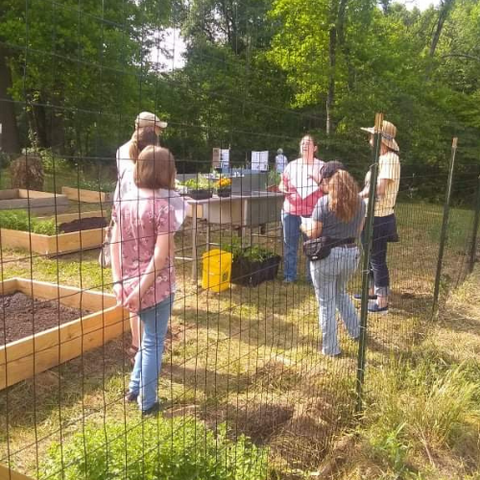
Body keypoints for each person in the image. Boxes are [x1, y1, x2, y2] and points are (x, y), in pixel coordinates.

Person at [111, 146, 182, 415]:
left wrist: (118, 283)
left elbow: (114, 245)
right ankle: (148, 402)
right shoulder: (163, 208)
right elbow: (162, 255)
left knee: (146, 340)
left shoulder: (124, 202)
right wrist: (142, 289)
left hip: (129, 284)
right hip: (156, 287)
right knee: (153, 342)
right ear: (166, 172)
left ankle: (134, 386)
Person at [114, 112, 167, 359]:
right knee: (146, 281)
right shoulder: (143, 156)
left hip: (126, 220)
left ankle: (139, 345)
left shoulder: (124, 151)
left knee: (133, 281)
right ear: (148, 130)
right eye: (158, 128)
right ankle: (143, 346)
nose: (161, 132)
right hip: (142, 221)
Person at [302, 167, 365, 357]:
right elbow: (358, 231)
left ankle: (331, 348)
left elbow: (314, 232)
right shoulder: (361, 203)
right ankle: (357, 331)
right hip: (351, 254)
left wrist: (304, 226)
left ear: (333, 186)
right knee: (340, 292)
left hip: (328, 256)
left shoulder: (323, 203)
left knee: (326, 302)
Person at [359, 120, 401, 314]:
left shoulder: (390, 159)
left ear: (381, 139)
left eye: (372, 135)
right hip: (370, 214)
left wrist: (358, 195)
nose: (369, 139)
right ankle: (371, 291)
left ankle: (382, 301)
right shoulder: (381, 159)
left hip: (380, 216)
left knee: (377, 258)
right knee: (369, 255)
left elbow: (381, 189)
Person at [278, 135, 324, 283]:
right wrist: (282, 188)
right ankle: (289, 276)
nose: (305, 145)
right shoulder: (291, 165)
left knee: (312, 245)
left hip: (312, 213)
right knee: (289, 245)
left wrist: (317, 180)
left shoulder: (322, 166)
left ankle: (312, 278)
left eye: (308, 143)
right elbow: (281, 183)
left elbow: (329, 188)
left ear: (315, 148)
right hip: (290, 211)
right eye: (302, 143)